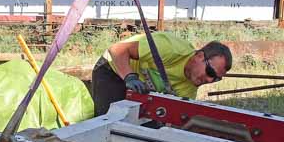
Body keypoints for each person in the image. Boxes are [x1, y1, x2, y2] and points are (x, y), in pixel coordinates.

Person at [91, 33, 232, 116]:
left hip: (138, 85)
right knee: (107, 123)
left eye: (216, 79)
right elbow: (117, 50)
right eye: (210, 72)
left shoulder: (189, 89)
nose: (209, 80)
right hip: (113, 68)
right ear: (200, 56)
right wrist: (129, 76)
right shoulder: (170, 49)